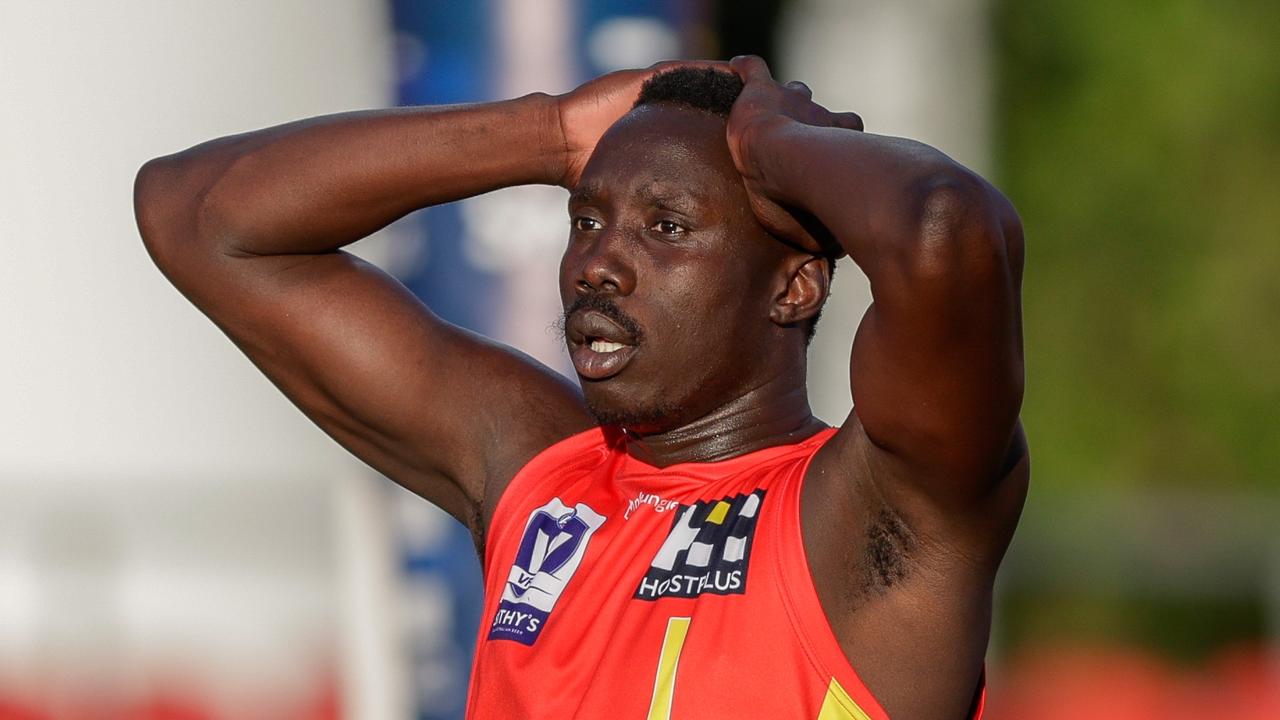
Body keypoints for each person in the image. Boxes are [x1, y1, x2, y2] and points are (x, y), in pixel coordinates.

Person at [134, 55, 1027, 720]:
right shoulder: (540, 471)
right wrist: (548, 132)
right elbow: (194, 215)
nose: (599, 263)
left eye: (666, 227)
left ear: (794, 288)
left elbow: (947, 232)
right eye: (587, 220)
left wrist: (775, 141)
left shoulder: (881, 509)